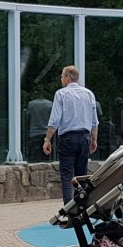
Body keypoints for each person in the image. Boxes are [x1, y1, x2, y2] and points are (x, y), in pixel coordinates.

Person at [43, 65, 100, 204]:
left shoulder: (61, 94)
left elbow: (55, 120)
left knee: (67, 174)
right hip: (84, 138)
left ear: (68, 77)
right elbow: (94, 121)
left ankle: (69, 207)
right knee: (82, 175)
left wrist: (47, 139)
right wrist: (94, 140)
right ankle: (83, 205)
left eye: (62, 76)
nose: (61, 78)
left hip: (68, 138)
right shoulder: (88, 94)